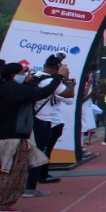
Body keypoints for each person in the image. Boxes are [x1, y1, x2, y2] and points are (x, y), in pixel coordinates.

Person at [0, 63, 66, 212]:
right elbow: (44, 92)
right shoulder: (16, 89)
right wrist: (59, 76)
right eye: (22, 72)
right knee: (13, 172)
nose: (25, 74)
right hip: (14, 136)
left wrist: (26, 83)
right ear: (13, 75)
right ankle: (5, 204)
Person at [24, 55, 76, 197]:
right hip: (43, 120)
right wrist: (67, 81)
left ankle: (28, 184)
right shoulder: (51, 81)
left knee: (34, 152)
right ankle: (30, 187)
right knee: (39, 153)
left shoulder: (36, 76)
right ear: (57, 69)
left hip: (33, 118)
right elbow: (69, 95)